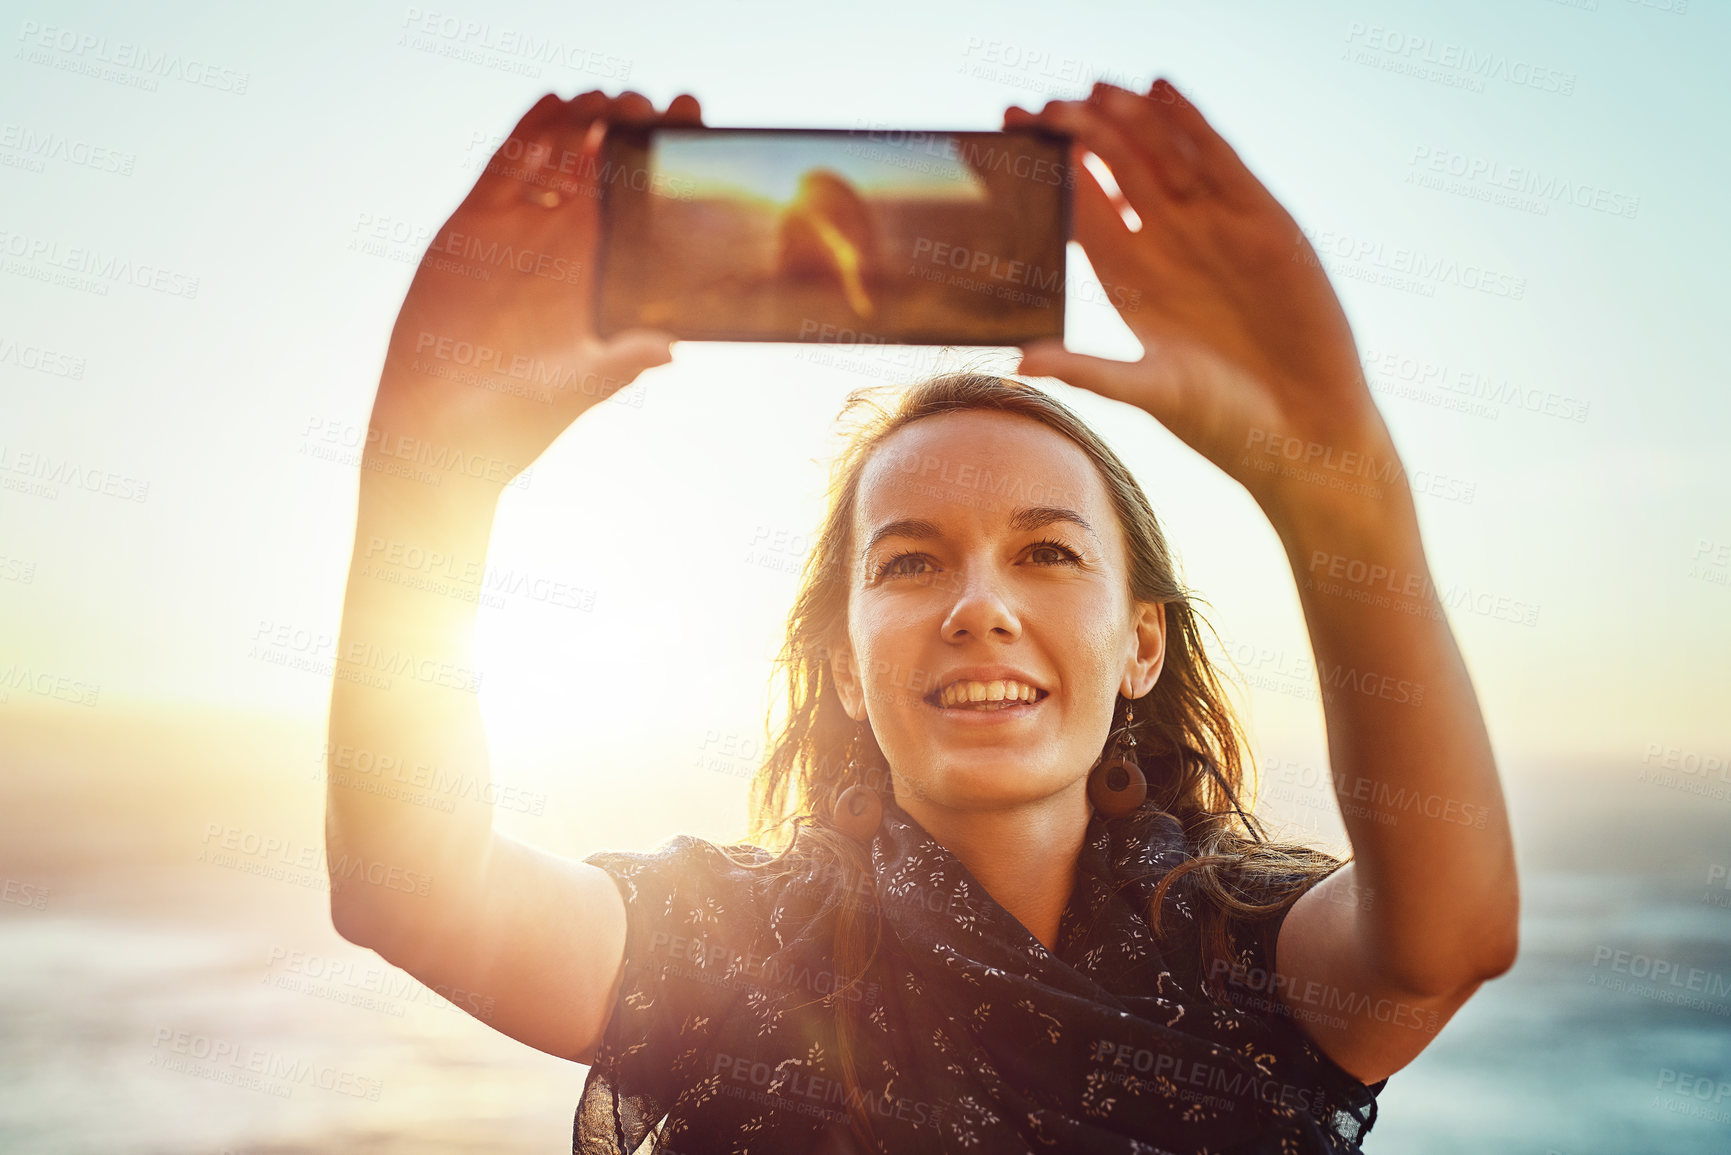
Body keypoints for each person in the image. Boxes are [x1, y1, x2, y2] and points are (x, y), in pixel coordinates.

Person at [325, 82, 1519, 1154]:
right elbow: (410, 886)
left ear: (1141, 644)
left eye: (1048, 552)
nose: (979, 606)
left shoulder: (1242, 954)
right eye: (908, 565)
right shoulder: (725, 950)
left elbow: (1444, 938)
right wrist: (426, 477)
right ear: (845, 664)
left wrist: (1338, 486)